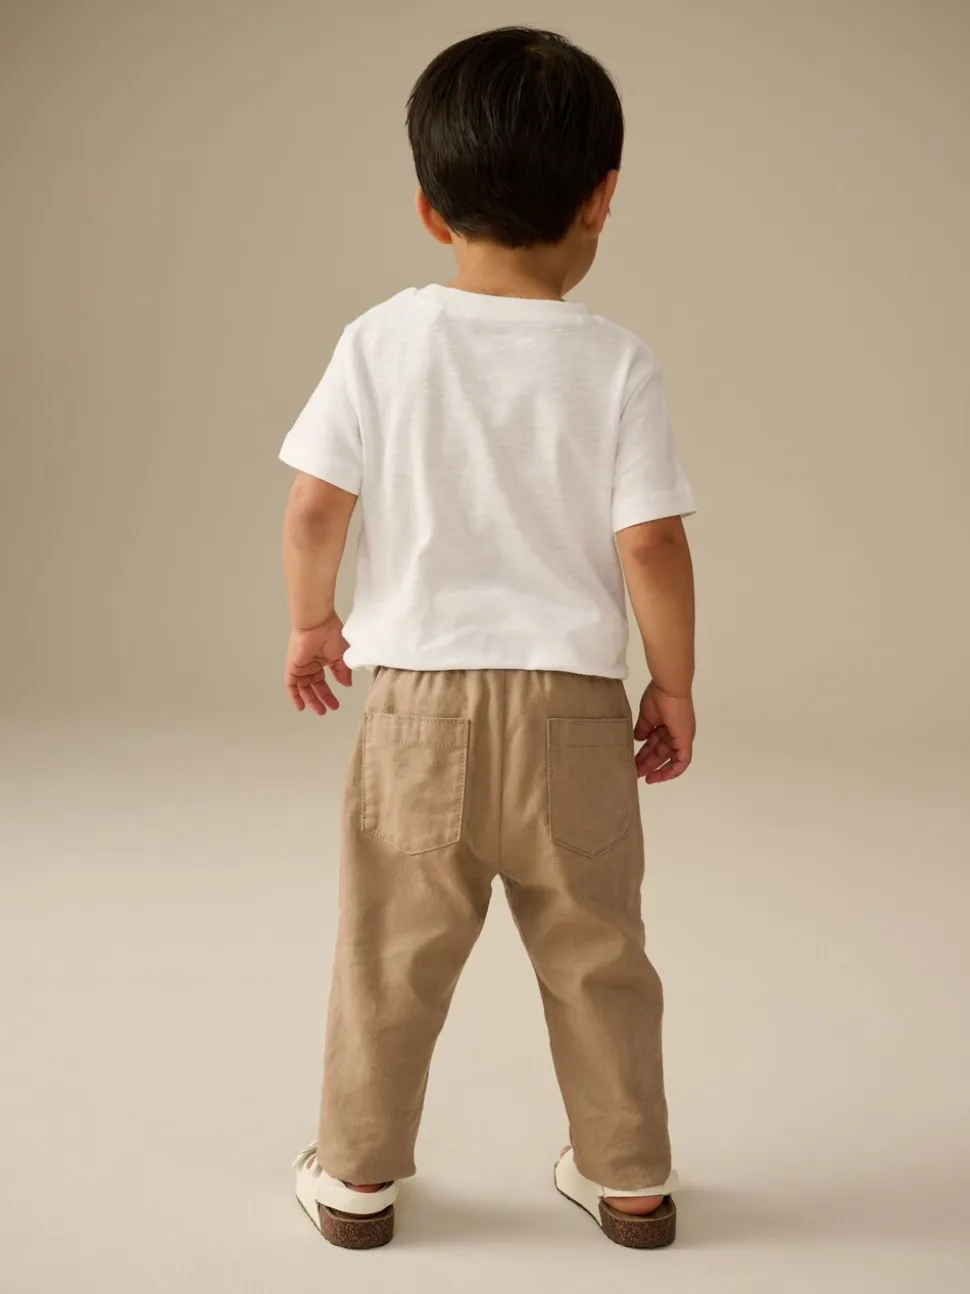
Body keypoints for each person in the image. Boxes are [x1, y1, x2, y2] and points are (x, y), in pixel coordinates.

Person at [280, 26, 696, 1251]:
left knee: (391, 954)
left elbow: (314, 506)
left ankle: (356, 1178)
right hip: (573, 716)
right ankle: (629, 1178)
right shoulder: (616, 363)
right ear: (600, 199)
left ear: (428, 208)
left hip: (417, 712)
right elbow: (650, 544)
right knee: (598, 954)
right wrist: (671, 683)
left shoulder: (379, 340)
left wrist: (312, 620)